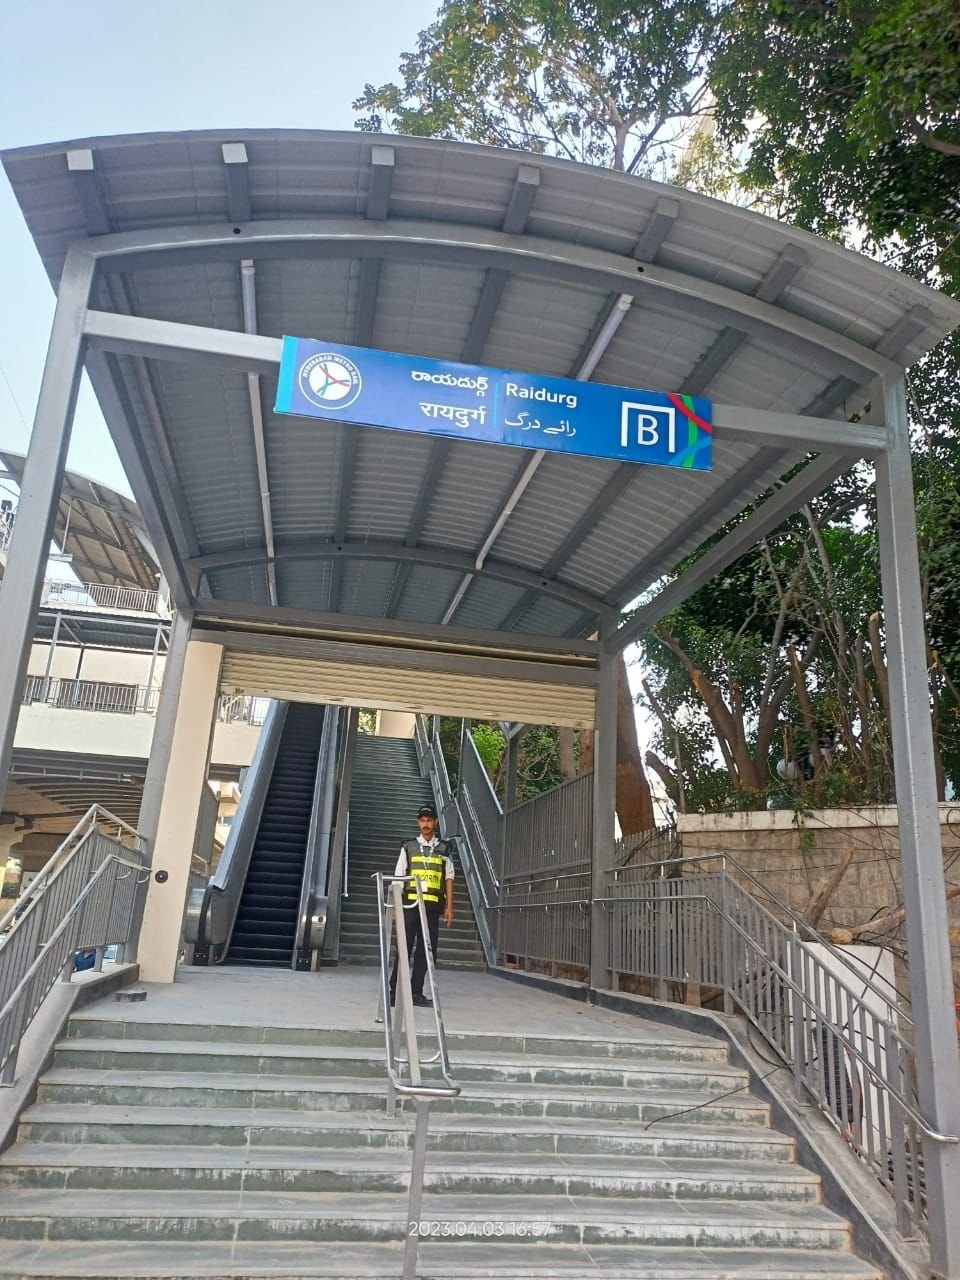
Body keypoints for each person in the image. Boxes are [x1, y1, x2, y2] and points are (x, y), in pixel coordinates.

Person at [389, 803, 454, 1008]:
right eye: (422, 820)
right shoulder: (408, 847)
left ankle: (416, 991)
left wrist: (449, 906)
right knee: (404, 947)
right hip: (410, 904)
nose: (425, 824)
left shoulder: (444, 849)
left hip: (433, 907)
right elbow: (398, 877)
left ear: (435, 822)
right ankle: (395, 991)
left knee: (427, 951)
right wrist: (395, 907)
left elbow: (449, 878)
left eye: (429, 820)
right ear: (418, 822)